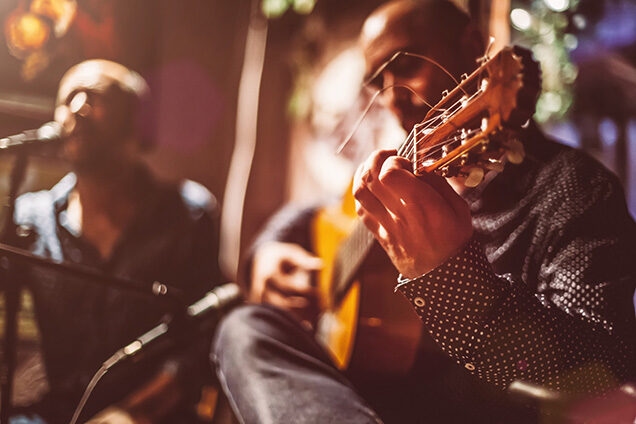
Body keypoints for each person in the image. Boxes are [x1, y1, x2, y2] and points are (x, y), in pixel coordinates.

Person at [211, 0, 636, 423]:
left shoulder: (574, 189)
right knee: (246, 328)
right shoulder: (404, 176)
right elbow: (314, 211)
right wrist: (266, 252)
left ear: (472, 47)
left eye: (406, 64)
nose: (394, 98)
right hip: (365, 405)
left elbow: (602, 378)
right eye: (379, 80)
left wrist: (452, 277)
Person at [8, 59, 225, 423]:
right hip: (58, 414)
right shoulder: (30, 219)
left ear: (138, 123)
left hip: (156, 416)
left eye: (93, 97)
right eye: (69, 98)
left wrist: (131, 413)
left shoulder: (189, 214)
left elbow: (204, 337)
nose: (78, 109)